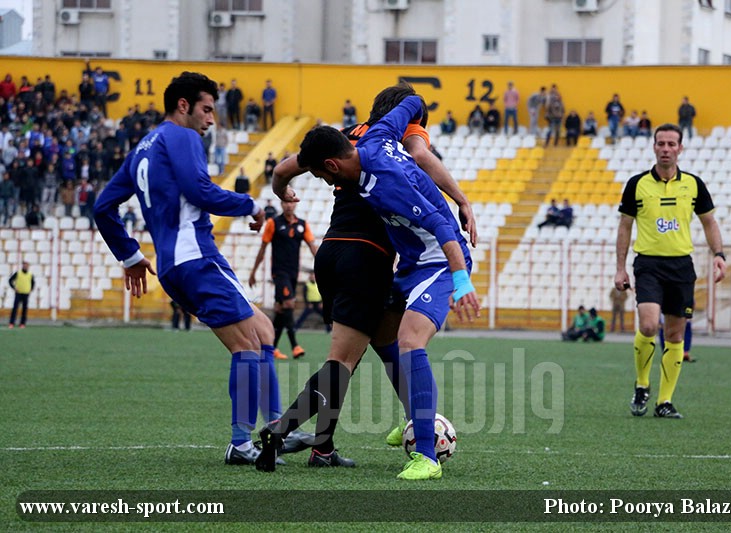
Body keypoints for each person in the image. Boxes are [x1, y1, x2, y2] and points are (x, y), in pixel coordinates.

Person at [254, 83, 475, 472]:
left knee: (384, 342)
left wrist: (284, 193)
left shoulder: (360, 138)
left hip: (335, 252)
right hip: (371, 257)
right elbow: (421, 151)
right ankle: (287, 428)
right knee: (348, 358)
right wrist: (462, 199)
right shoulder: (392, 139)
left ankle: (350, 444)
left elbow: (284, 169)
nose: (325, 180)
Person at [93, 71, 296, 467]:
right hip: (196, 257)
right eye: (206, 109)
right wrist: (252, 205)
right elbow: (199, 191)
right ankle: (242, 443)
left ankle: (276, 428)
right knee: (247, 346)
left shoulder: (141, 149)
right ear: (183, 106)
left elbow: (102, 207)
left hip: (176, 265)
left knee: (264, 331)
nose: (211, 119)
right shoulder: (181, 136)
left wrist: (131, 256)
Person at [615, 123, 726, 420]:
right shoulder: (637, 184)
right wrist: (620, 268)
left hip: (681, 266)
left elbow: (709, 223)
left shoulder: (694, 184)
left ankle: (664, 401)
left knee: (675, 335)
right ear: (653, 147)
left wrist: (719, 255)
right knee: (650, 325)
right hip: (648, 263)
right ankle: (642, 384)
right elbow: (625, 226)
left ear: (680, 148)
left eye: (671, 144)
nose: (665, 149)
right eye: (660, 143)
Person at [248, 200, 317, 360]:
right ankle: (295, 346)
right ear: (281, 204)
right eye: (285, 202)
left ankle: (270, 348)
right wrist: (253, 272)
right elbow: (263, 248)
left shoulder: (302, 225)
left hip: (293, 274)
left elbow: (313, 247)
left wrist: (323, 265)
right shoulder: (273, 223)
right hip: (279, 273)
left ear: (296, 205)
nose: (288, 206)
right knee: (289, 304)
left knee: (280, 310)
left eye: (291, 203)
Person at [8, 261, 34, 329]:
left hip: (26, 294)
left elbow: (33, 283)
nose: (25, 266)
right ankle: (11, 323)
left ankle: (22, 323)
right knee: (15, 308)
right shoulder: (18, 273)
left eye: (26, 265)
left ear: (28, 266)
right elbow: (10, 280)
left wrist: (31, 289)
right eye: (24, 265)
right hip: (18, 293)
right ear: (22, 266)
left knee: (24, 309)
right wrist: (14, 288)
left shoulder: (30, 274)